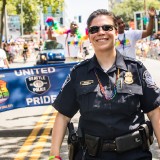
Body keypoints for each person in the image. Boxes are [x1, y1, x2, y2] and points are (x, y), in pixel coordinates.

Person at [49, 9, 160, 160]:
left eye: (107, 27)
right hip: (90, 155)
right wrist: (54, 156)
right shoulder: (78, 73)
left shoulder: (136, 69)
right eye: (94, 29)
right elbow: (63, 116)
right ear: (89, 36)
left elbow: (155, 112)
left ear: (116, 32)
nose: (101, 32)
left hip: (134, 155)